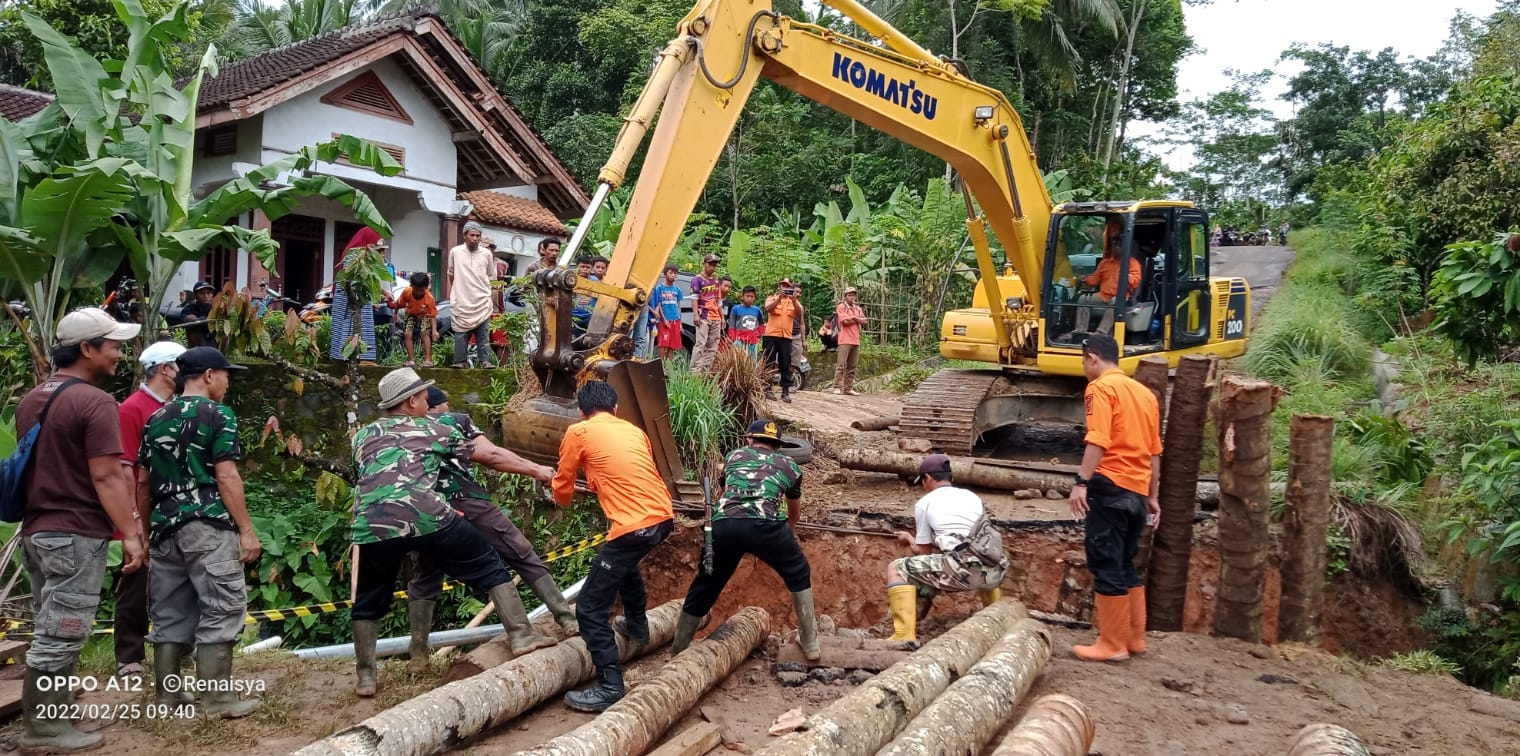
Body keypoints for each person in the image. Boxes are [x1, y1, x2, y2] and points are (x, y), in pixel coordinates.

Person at [350, 369, 550, 696]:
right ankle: (522, 636)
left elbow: (367, 478)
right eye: (424, 395)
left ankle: (366, 677)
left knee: (368, 599)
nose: (428, 400)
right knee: (489, 565)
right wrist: (537, 469)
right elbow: (491, 456)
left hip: (373, 524)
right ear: (411, 401)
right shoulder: (433, 427)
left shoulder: (361, 435)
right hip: (428, 516)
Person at [16, 308, 145, 753]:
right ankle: (44, 730)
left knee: (49, 626)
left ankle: (53, 714)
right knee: (63, 630)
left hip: (36, 532)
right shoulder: (94, 402)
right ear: (87, 349)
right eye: (112, 346)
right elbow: (108, 475)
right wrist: (130, 533)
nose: (119, 355)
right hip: (75, 534)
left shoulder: (33, 399)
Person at [404, 387, 576, 675]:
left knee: (426, 578)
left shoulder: (397, 433)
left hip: (424, 511)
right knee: (520, 553)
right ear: (435, 405)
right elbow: (492, 454)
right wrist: (537, 469)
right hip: (466, 500)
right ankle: (565, 620)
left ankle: (418, 658)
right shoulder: (455, 421)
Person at [137, 347, 262, 717]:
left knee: (170, 614)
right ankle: (217, 699)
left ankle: (168, 696)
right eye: (225, 374)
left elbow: (142, 484)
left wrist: (144, 534)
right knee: (221, 609)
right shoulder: (218, 414)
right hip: (208, 526)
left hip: (165, 529)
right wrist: (246, 530)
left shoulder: (155, 416)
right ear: (208, 375)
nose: (227, 382)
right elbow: (226, 475)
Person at [552, 381, 675, 712]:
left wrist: (559, 495)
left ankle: (609, 685)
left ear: (581, 411)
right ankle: (637, 625)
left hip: (633, 525)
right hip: (663, 518)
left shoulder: (578, 432)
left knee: (590, 608)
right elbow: (631, 470)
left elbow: (563, 486)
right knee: (624, 565)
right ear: (615, 409)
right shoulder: (634, 432)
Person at [672, 419, 818, 660]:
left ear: (749, 439)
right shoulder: (791, 466)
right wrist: (789, 529)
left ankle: (679, 648)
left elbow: (724, 493)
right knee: (798, 572)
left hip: (725, 525)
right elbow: (794, 507)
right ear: (778, 446)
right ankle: (811, 644)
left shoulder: (734, 456)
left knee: (707, 584)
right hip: (767, 526)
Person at [1069, 334, 1162, 662]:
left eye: (1083, 361)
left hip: (1110, 487)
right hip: (1137, 490)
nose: (1084, 368)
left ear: (1092, 357)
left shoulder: (1100, 389)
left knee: (1105, 561)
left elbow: (1098, 438)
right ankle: (1134, 638)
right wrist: (1152, 496)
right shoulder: (1145, 394)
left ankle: (1112, 644)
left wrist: (1082, 481)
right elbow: (1154, 450)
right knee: (1125, 563)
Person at [114, 340, 186, 680]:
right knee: (136, 581)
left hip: (168, 508)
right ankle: (129, 656)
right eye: (179, 364)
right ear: (164, 369)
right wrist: (132, 519)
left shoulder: (173, 406)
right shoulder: (133, 409)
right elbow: (125, 468)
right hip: (140, 509)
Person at [884, 454, 1009, 643]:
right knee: (978, 560)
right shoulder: (972, 497)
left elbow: (923, 554)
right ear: (951, 478)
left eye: (922, 482)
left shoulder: (924, 504)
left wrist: (909, 540)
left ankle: (904, 635)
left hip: (963, 571)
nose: (923, 487)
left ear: (927, 478)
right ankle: (1000, 624)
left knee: (896, 569)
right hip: (995, 571)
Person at [1074, 225, 1141, 335]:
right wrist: (1085, 279)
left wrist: (1127, 276)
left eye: (1119, 245)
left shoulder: (1133, 263)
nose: (1116, 248)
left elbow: (1135, 280)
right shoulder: (1105, 263)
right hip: (1103, 295)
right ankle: (1080, 331)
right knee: (1083, 299)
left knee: (1115, 301)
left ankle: (1101, 332)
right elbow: (1095, 280)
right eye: (1114, 245)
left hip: (1122, 297)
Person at [330, 230, 384, 365]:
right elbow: (353, 281)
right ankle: (349, 358)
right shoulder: (354, 255)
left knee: (362, 325)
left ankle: (362, 357)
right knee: (351, 325)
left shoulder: (362, 255)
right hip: (350, 299)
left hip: (360, 298)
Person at [448, 222, 496, 368]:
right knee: (461, 333)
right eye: (472, 235)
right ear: (465, 236)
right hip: (462, 299)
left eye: (478, 235)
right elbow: (451, 273)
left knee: (483, 332)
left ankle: (484, 361)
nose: (475, 238)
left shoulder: (486, 254)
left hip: (481, 299)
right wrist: (458, 290)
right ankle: (460, 361)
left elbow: (489, 275)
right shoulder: (455, 252)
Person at [763, 278, 800, 403]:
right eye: (783, 286)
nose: (785, 288)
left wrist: (794, 301)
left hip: (786, 337)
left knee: (785, 364)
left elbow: (800, 313)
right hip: (771, 336)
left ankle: (785, 391)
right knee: (769, 362)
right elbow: (768, 309)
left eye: (787, 286)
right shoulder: (771, 298)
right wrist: (779, 298)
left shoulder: (793, 302)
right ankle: (767, 388)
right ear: (779, 287)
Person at [391, 272, 439, 367]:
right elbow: (399, 303)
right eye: (416, 290)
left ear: (426, 288)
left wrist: (434, 330)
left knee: (424, 332)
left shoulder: (429, 298)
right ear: (411, 286)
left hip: (424, 314)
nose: (418, 293)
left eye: (421, 290)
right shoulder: (407, 292)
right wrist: (395, 314)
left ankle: (428, 360)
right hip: (411, 313)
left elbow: (433, 315)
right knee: (407, 333)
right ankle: (411, 360)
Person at [690, 254, 723, 371]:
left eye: (714, 265)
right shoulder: (697, 280)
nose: (712, 267)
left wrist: (722, 317)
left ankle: (706, 371)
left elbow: (718, 301)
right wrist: (695, 315)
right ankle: (694, 372)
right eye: (710, 264)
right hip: (703, 315)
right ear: (704, 264)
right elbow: (694, 298)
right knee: (700, 344)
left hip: (715, 317)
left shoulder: (716, 281)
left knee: (712, 347)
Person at [832, 287, 868, 395]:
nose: (851, 297)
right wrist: (857, 319)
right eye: (849, 295)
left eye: (853, 295)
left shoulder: (858, 308)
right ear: (845, 296)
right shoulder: (841, 307)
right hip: (844, 339)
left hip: (855, 340)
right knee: (841, 364)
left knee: (852, 365)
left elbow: (865, 321)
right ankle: (837, 386)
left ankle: (848, 388)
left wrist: (854, 318)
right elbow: (844, 321)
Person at [651, 265, 685, 361]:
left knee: (672, 345)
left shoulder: (677, 290)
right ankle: (661, 366)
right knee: (663, 343)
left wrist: (680, 323)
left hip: (675, 320)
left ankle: (669, 367)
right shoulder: (659, 289)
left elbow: (679, 306)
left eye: (675, 273)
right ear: (665, 274)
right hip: (664, 320)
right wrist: (664, 319)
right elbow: (659, 304)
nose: (673, 275)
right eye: (671, 273)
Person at [727, 286, 764, 360]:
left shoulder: (757, 310)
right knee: (738, 361)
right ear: (742, 297)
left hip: (752, 340)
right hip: (738, 340)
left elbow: (761, 324)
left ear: (754, 298)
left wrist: (759, 334)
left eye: (752, 296)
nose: (749, 298)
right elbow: (731, 325)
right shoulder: (736, 309)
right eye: (747, 296)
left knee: (752, 361)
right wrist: (733, 338)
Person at [181, 281, 216, 348]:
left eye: (208, 293)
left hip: (213, 341)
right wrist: (206, 321)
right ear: (195, 295)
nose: (205, 296)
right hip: (196, 344)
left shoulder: (215, 307)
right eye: (202, 293)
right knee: (193, 331)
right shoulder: (190, 307)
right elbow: (184, 321)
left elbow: (214, 323)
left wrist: (197, 320)